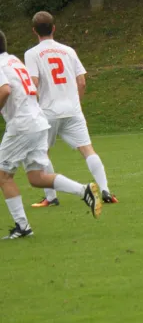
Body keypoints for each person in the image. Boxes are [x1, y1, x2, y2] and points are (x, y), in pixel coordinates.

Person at [0, 31, 101, 239]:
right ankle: (84, 191)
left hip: (23, 125)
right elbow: (32, 91)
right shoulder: (13, 61)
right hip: (37, 121)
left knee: (3, 176)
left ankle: (23, 227)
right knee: (37, 178)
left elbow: (5, 90)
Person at [24, 11, 118, 207]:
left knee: (43, 154)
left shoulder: (32, 54)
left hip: (48, 111)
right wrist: (77, 105)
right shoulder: (68, 51)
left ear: (34, 31)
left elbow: (33, 85)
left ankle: (51, 198)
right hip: (73, 109)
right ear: (54, 28)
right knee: (87, 149)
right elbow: (82, 82)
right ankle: (105, 190)